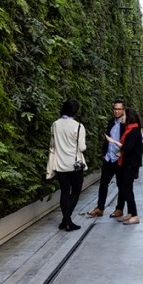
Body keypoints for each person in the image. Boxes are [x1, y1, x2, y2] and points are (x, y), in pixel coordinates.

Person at [47, 99, 87, 232]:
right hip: (74, 165)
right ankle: (67, 221)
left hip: (60, 164)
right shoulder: (78, 126)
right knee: (75, 192)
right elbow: (82, 147)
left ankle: (66, 221)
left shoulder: (55, 124)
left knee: (64, 192)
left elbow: (52, 144)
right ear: (76, 111)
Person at [86, 100, 126, 218]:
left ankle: (119, 208)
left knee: (121, 185)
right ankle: (100, 208)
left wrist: (122, 153)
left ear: (123, 110)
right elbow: (107, 138)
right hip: (108, 158)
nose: (116, 111)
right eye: (115, 109)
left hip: (120, 159)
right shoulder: (110, 122)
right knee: (103, 183)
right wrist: (104, 153)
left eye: (119, 109)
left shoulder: (126, 124)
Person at [113, 107, 143, 225]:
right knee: (127, 188)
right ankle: (130, 212)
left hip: (131, 164)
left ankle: (135, 215)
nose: (122, 117)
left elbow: (129, 147)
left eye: (124, 115)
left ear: (129, 117)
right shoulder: (130, 129)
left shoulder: (134, 130)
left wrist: (117, 144)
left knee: (126, 188)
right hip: (127, 163)